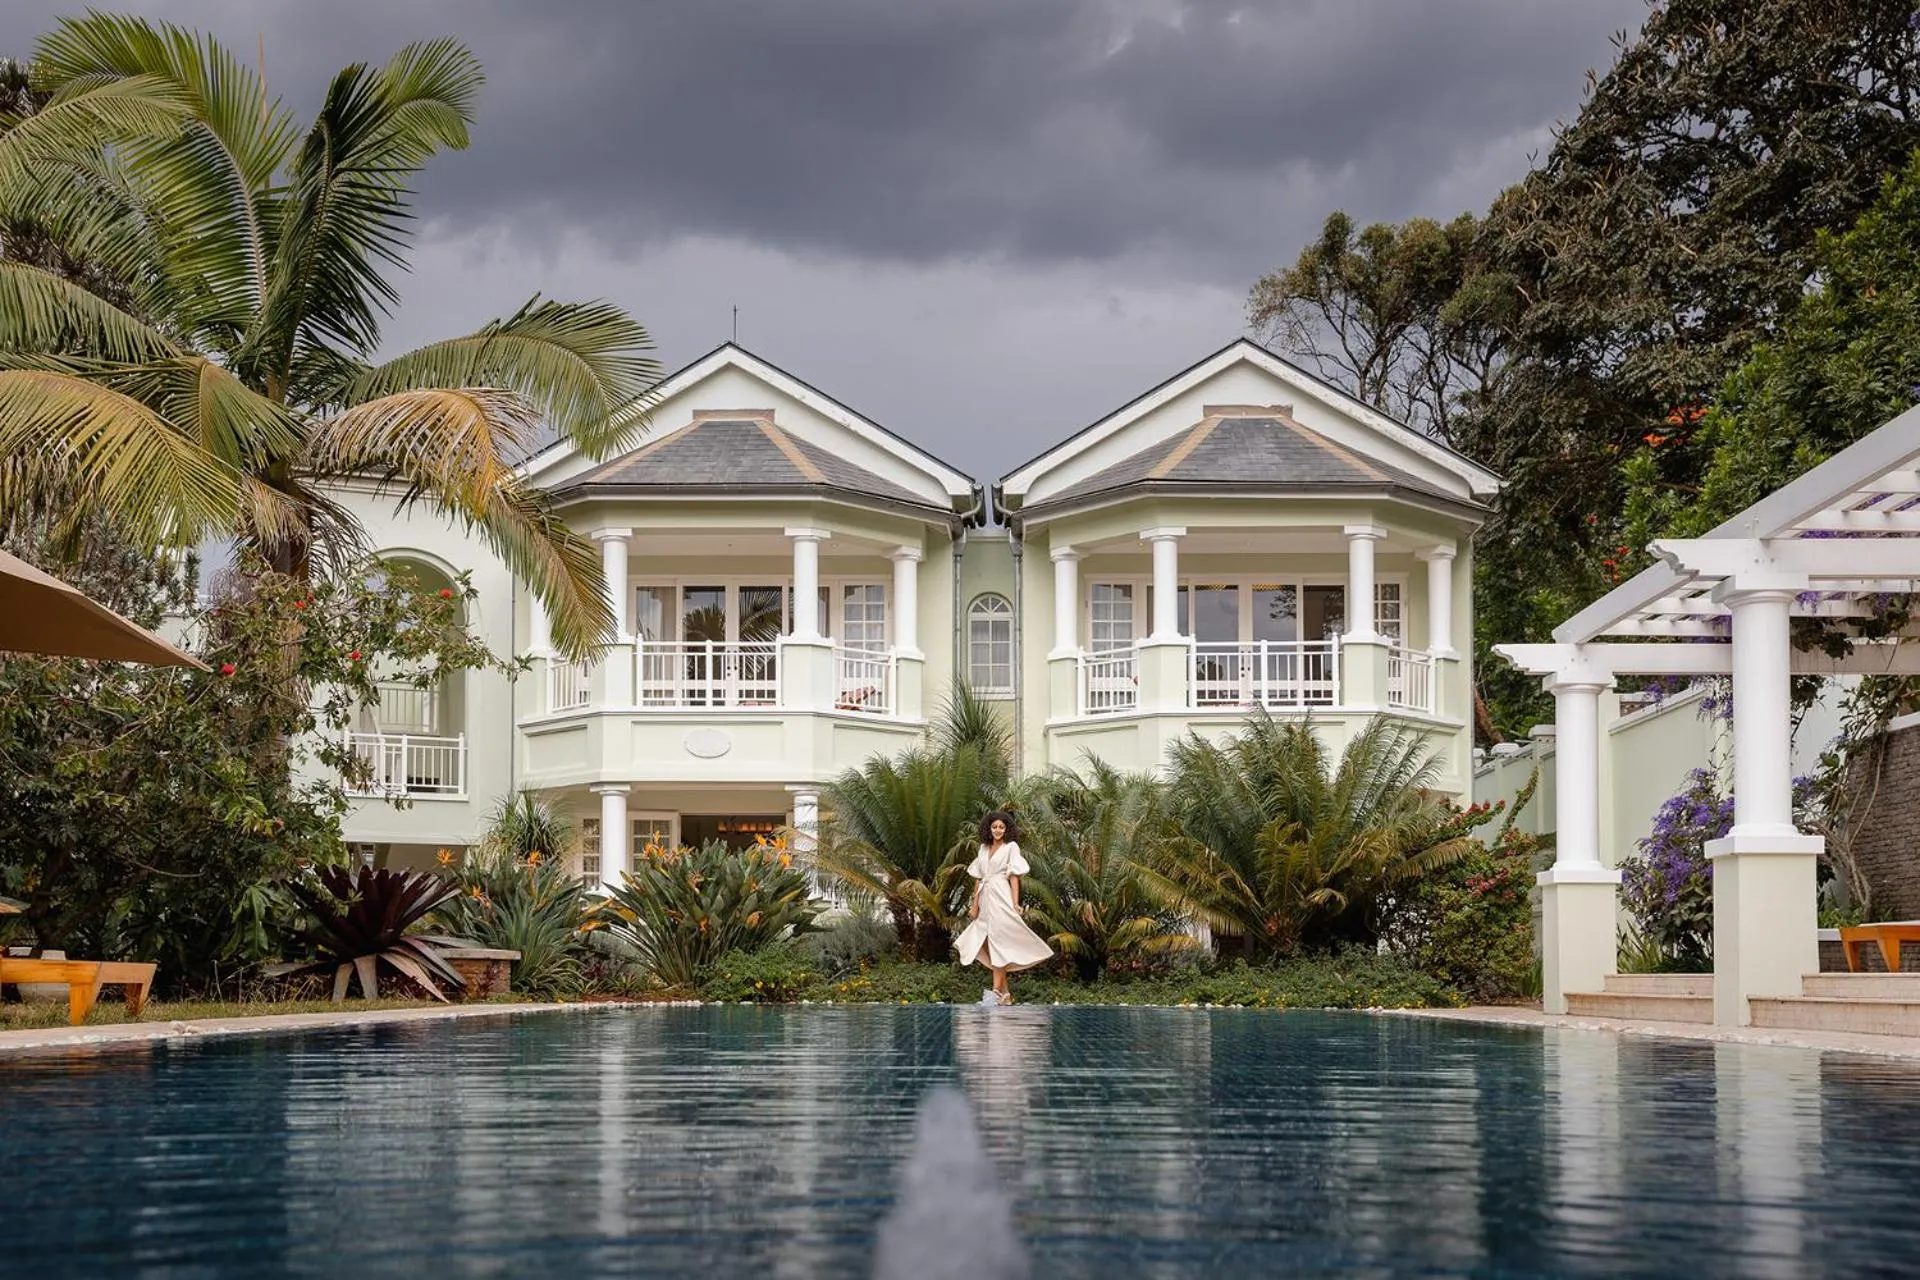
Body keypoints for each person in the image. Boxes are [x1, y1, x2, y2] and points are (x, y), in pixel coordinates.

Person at [952, 811, 1052, 1004]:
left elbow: (1014, 877)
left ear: (1007, 829)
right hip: (984, 898)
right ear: (989, 828)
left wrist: (1015, 903)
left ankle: (996, 991)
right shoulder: (982, 848)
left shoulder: (1011, 847)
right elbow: (979, 878)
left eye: (1001, 827)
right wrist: (974, 905)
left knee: (999, 941)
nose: (998, 830)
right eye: (994, 827)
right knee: (985, 941)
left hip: (1001, 895)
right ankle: (1005, 994)